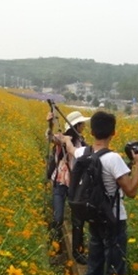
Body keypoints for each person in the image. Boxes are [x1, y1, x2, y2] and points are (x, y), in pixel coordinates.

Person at [60, 110, 138, 275]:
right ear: (113, 133)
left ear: (91, 131)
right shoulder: (113, 159)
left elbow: (70, 148)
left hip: (94, 220)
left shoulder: (82, 152)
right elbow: (131, 190)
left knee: (93, 272)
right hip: (114, 222)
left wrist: (65, 139)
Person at [46, 109, 90, 264]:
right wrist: (50, 123)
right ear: (76, 126)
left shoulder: (82, 142)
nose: (84, 126)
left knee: (77, 220)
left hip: (74, 184)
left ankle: (78, 253)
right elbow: (50, 137)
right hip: (60, 182)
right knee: (58, 218)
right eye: (82, 124)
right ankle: (54, 248)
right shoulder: (63, 138)